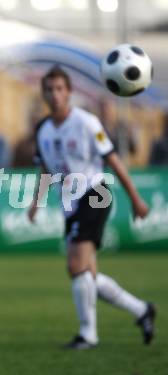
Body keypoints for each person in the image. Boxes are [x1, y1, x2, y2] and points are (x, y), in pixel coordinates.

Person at [28, 65, 156, 349]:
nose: (55, 94)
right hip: (70, 203)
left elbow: (112, 160)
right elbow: (46, 169)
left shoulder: (87, 122)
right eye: (49, 89)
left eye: (60, 89)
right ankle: (142, 310)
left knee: (76, 265)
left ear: (69, 92)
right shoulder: (43, 129)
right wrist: (36, 202)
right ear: (44, 94)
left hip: (95, 193)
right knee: (88, 275)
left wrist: (135, 198)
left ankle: (88, 335)